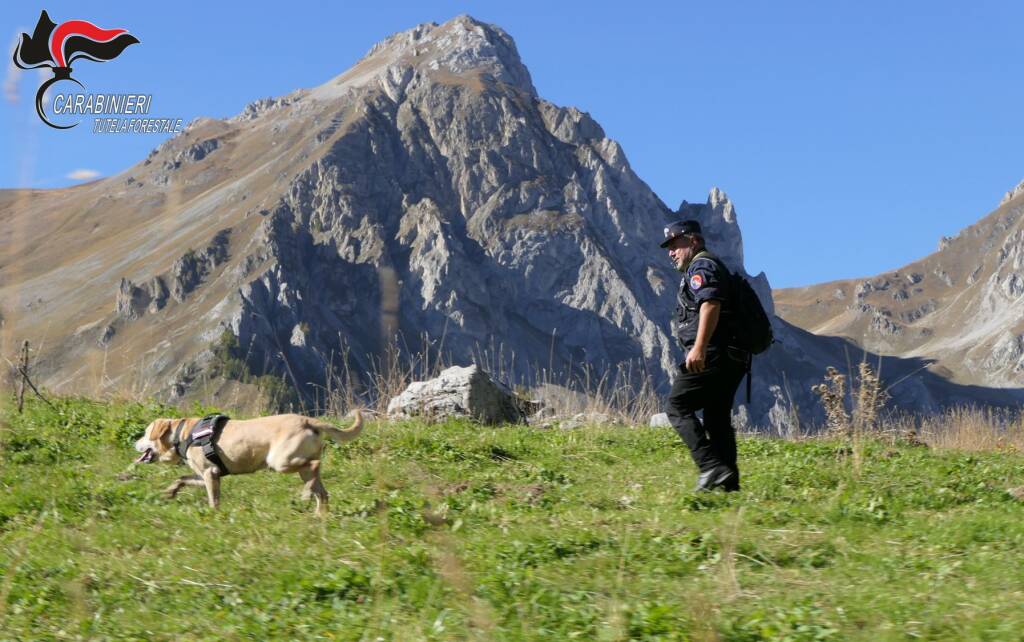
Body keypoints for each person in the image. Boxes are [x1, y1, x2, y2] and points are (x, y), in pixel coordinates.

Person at [660, 220, 749, 492]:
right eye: (669, 248)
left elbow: (710, 302)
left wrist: (698, 347)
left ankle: (710, 467)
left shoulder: (702, 266)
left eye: (676, 245)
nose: (671, 252)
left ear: (694, 241)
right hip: (733, 355)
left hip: (713, 352)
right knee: (716, 417)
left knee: (678, 406)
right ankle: (729, 482)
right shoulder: (706, 265)